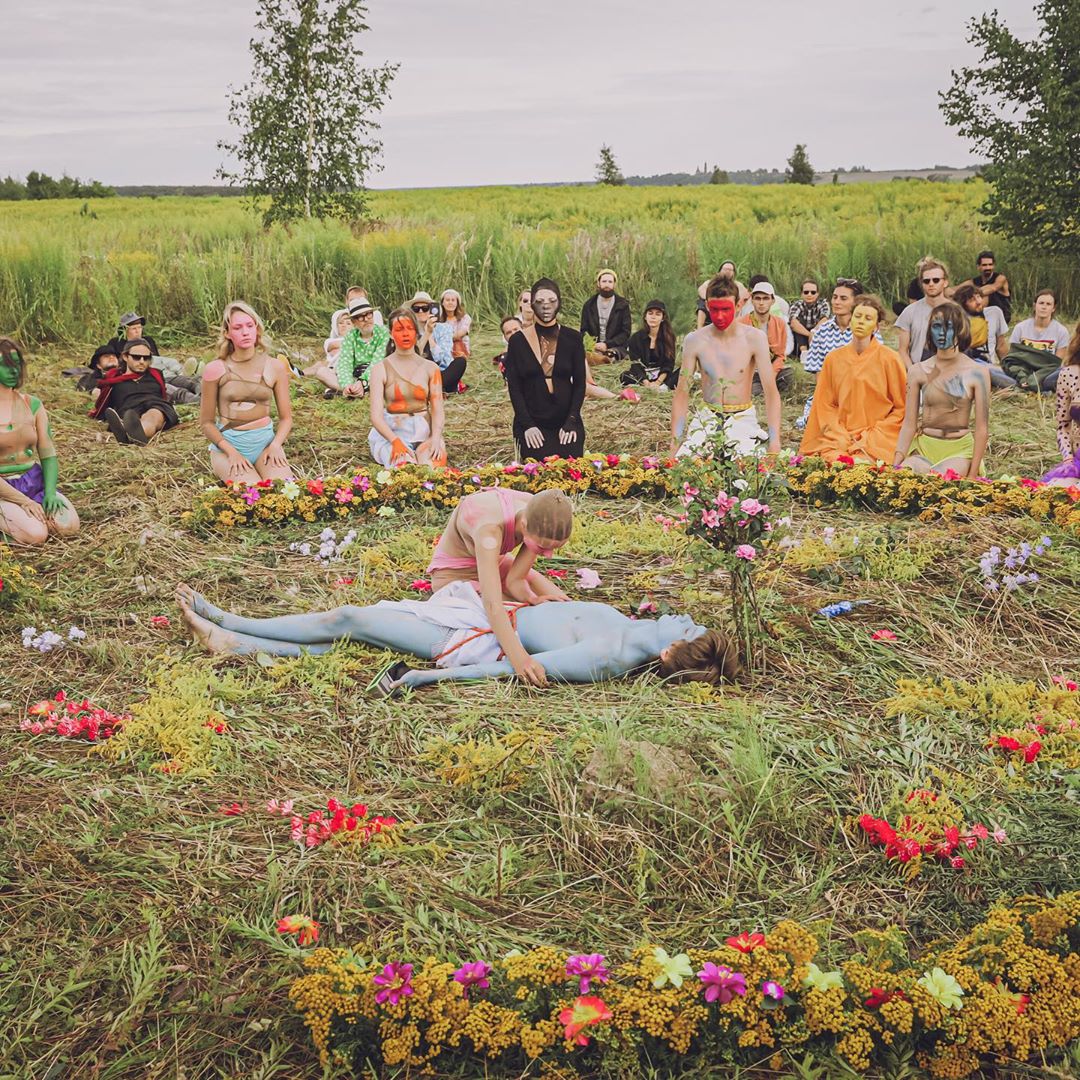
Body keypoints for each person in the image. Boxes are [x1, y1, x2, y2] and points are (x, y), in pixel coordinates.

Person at [178, 582, 741, 692]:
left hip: (471, 638)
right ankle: (234, 644)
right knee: (356, 635)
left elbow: (512, 669)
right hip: (482, 611)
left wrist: (429, 677)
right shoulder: (637, 625)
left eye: (689, 629)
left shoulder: (607, 657)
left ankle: (231, 620)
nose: (682, 618)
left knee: (348, 619)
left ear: (670, 650)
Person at [427, 486, 573, 685]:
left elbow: (516, 580)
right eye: (542, 547)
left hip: (494, 563)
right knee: (518, 616)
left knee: (558, 602)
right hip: (454, 576)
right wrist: (520, 660)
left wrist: (533, 598)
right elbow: (493, 606)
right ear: (524, 524)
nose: (549, 555)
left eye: (556, 548)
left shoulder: (537, 511)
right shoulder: (490, 530)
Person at [671, 275, 780, 458]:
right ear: (707, 306)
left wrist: (775, 440)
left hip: (742, 418)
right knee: (687, 470)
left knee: (746, 478)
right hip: (707, 418)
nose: (720, 316)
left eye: (725, 309)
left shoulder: (754, 338)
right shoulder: (695, 340)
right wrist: (675, 441)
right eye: (714, 309)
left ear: (738, 306)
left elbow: (771, 392)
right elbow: (682, 392)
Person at [799, 295, 907, 465]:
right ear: (850, 321)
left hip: (877, 437)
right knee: (834, 462)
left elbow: (901, 407)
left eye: (868, 318)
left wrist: (873, 435)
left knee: (864, 464)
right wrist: (839, 433)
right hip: (838, 435)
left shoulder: (890, 359)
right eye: (857, 316)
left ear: (877, 327)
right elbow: (824, 405)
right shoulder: (833, 359)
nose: (861, 322)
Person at [200, 301, 294, 484]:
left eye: (250, 326)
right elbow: (206, 423)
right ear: (227, 333)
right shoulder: (215, 369)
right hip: (230, 446)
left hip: (265, 443)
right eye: (237, 327)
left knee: (283, 494)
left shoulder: (275, 366)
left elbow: (286, 418)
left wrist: (276, 445)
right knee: (253, 498)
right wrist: (232, 453)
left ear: (257, 329)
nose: (245, 332)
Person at [894, 302, 990, 479]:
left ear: (960, 330)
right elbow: (909, 423)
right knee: (904, 478)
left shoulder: (977, 373)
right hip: (925, 445)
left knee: (939, 481)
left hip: (959, 449)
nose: (942, 332)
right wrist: (896, 462)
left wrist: (973, 473)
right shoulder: (918, 371)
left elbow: (982, 428)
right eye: (937, 326)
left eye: (949, 326)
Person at [0, 337, 80, 545]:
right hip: (3, 488)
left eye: (16, 364)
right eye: (5, 365)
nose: (13, 371)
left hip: (32, 479)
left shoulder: (32, 404)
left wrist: (51, 492)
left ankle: (26, 517)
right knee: (36, 536)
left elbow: (48, 453)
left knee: (68, 527)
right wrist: (22, 501)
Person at [503, 278, 587, 460]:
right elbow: (514, 387)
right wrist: (527, 424)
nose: (546, 306)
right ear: (532, 304)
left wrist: (572, 420)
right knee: (539, 467)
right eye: (540, 302)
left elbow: (580, 384)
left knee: (570, 466)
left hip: (565, 419)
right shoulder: (518, 341)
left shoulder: (573, 338)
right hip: (533, 420)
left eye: (551, 301)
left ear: (559, 303)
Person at [367, 307, 447, 469]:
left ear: (416, 332)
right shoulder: (380, 368)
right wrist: (394, 442)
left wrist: (436, 438)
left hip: (425, 434)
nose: (405, 334)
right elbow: (376, 416)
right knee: (405, 472)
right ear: (391, 333)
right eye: (399, 329)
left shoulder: (431, 368)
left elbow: (438, 409)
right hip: (393, 435)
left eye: (410, 328)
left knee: (431, 470)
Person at [795, 277, 879, 429]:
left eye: (843, 298)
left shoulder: (868, 330)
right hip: (830, 394)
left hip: (862, 393)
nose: (836, 302)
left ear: (856, 302)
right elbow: (820, 377)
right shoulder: (821, 332)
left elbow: (875, 373)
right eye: (834, 297)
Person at [90, 338, 182, 445]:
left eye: (146, 358)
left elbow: (165, 394)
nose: (142, 361)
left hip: (156, 406)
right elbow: (102, 398)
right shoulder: (113, 379)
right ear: (125, 357)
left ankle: (133, 434)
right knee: (130, 417)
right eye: (136, 357)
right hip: (128, 411)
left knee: (152, 415)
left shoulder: (156, 374)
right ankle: (130, 431)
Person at [952, 283, 1016, 389]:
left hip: (988, 362)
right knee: (985, 370)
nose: (978, 302)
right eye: (972, 300)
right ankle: (1020, 386)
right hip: (969, 364)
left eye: (978, 297)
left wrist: (1008, 366)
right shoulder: (957, 320)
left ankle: (1028, 384)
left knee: (1009, 372)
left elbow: (1001, 346)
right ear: (963, 304)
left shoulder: (994, 312)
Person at [738, 283, 794, 394]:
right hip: (752, 371)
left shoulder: (780, 323)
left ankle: (769, 386)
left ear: (772, 301)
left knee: (789, 375)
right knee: (756, 390)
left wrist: (771, 374)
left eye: (765, 298)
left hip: (772, 368)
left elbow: (780, 355)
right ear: (752, 301)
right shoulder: (741, 323)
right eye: (758, 299)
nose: (761, 303)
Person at [896, 258, 951, 366]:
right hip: (918, 367)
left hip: (949, 369)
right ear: (921, 283)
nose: (931, 284)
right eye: (926, 281)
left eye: (936, 280)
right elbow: (902, 351)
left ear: (945, 282)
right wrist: (912, 371)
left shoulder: (955, 311)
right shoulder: (910, 311)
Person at [1043, 324, 1080, 485]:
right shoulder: (1069, 374)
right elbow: (1063, 426)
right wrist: (1068, 459)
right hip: (1078, 460)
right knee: (1055, 491)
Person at [336, 296, 391, 400]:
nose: (366, 319)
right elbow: (345, 363)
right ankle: (352, 390)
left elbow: (378, 361)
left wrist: (363, 382)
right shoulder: (350, 336)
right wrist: (347, 384)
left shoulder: (383, 333)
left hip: (377, 374)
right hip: (355, 375)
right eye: (360, 317)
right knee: (322, 373)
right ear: (353, 321)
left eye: (369, 315)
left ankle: (364, 389)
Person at [408, 291, 463, 393]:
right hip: (419, 373)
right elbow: (411, 358)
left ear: (432, 309)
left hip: (440, 373)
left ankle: (434, 388)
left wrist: (430, 334)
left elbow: (443, 360)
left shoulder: (444, 328)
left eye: (425, 308)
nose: (421, 311)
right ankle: (435, 389)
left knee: (460, 362)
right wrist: (426, 334)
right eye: (416, 309)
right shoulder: (409, 331)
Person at [622, 300, 678, 390]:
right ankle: (645, 387)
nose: (653, 317)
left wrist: (658, 382)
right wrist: (646, 382)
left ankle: (663, 388)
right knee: (625, 376)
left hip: (662, 376)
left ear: (663, 318)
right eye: (650, 313)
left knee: (682, 372)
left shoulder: (669, 338)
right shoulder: (635, 338)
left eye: (658, 314)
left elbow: (669, 364)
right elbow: (636, 364)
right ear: (645, 316)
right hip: (643, 376)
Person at [580, 268, 632, 363]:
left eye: (610, 281)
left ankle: (606, 358)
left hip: (615, 346)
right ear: (598, 283)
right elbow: (583, 330)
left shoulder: (623, 305)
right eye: (604, 281)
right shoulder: (589, 305)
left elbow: (626, 332)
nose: (607, 284)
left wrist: (607, 344)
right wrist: (592, 344)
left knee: (613, 354)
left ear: (614, 284)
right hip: (593, 346)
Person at [302, 308, 352, 393]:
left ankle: (343, 389)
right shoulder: (330, 341)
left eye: (348, 323)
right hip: (334, 371)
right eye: (340, 323)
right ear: (335, 326)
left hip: (350, 371)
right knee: (321, 370)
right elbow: (333, 346)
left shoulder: (357, 340)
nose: (344, 325)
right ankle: (343, 389)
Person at [696, 260, 749, 329]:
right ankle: (699, 327)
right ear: (719, 271)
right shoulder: (710, 282)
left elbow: (745, 294)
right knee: (702, 303)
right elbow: (700, 290)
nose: (727, 271)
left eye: (730, 270)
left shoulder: (738, 285)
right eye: (725, 269)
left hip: (731, 307)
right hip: (713, 305)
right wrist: (710, 298)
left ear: (733, 273)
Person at [963, 251, 1011, 323]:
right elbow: (956, 290)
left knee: (987, 294)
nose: (988, 267)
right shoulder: (974, 281)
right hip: (981, 314)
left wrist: (969, 295)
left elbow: (992, 288)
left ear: (994, 266)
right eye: (984, 265)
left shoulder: (1000, 278)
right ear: (978, 267)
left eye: (990, 264)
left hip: (1001, 316)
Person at [439, 289, 471, 392]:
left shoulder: (464, 318)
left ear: (457, 303)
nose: (450, 302)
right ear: (442, 303)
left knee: (456, 344)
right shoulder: (438, 318)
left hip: (458, 347)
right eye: (447, 300)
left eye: (453, 300)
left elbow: (459, 335)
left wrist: (444, 338)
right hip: (441, 347)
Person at [788, 280, 830, 356]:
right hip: (801, 337)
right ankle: (804, 353)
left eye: (813, 292)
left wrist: (813, 332)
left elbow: (825, 320)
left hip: (817, 335)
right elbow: (793, 324)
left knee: (824, 324)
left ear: (817, 294)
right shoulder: (797, 304)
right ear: (801, 294)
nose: (809, 294)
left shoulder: (823, 304)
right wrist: (810, 334)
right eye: (806, 292)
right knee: (798, 323)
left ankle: (816, 353)